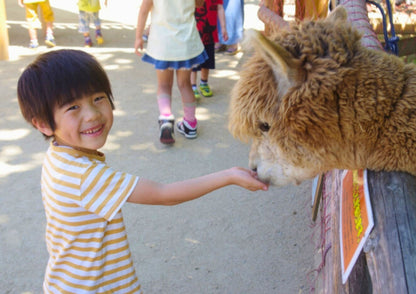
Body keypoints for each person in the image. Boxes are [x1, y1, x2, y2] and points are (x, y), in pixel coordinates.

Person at [16, 49, 268, 293]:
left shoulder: (60, 155)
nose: (92, 114)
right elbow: (164, 194)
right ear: (42, 123)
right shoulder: (83, 176)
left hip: (68, 282)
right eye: (73, 107)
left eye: (98, 98)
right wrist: (228, 176)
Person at [134, 0, 208, 144]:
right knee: (185, 84)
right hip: (186, 42)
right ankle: (190, 124)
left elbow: (144, 10)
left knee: (164, 85)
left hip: (163, 43)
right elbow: (199, 4)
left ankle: (166, 119)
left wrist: (138, 37)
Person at [191, 0, 228, 98]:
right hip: (193, 35)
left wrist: (223, 28)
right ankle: (192, 86)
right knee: (193, 62)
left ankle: (204, 82)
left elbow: (220, 8)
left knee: (207, 61)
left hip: (209, 34)